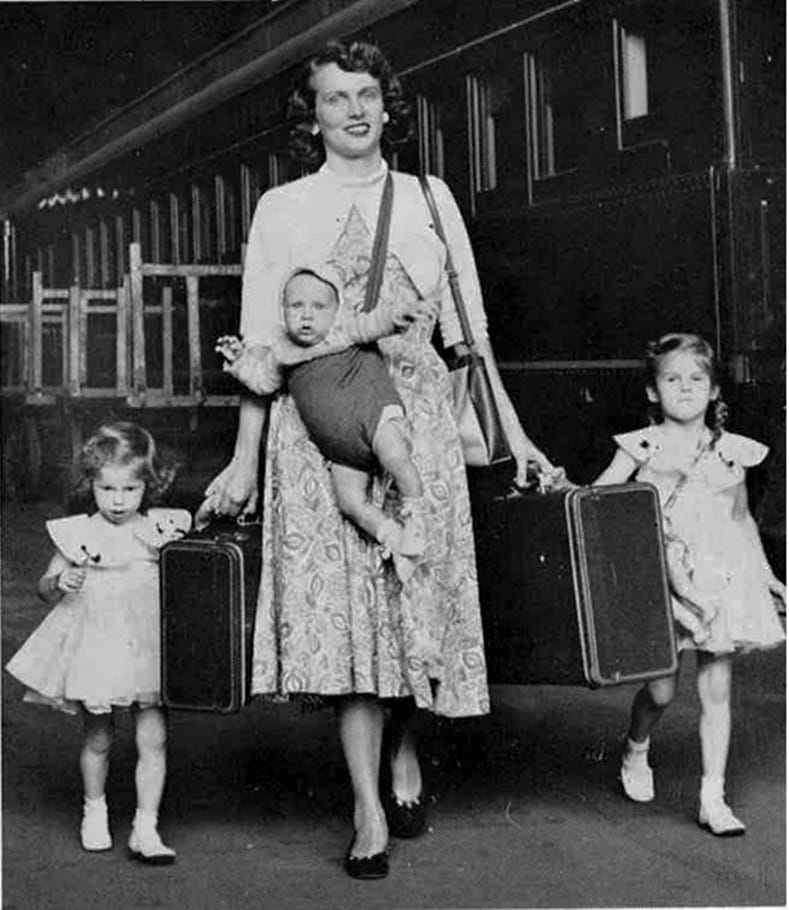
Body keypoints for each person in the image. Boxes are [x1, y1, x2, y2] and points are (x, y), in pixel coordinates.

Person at [197, 39, 558, 879]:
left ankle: (404, 746)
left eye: (367, 95)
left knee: (412, 602)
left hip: (416, 425)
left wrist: (516, 436)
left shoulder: (430, 198)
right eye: (336, 97)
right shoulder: (283, 208)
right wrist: (245, 460)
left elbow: (469, 336)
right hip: (317, 429)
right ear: (312, 116)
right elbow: (261, 344)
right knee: (350, 621)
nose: (354, 111)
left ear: (386, 107)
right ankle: (366, 805)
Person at [595, 333, 785, 835]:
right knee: (660, 691)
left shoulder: (730, 450)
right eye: (672, 379)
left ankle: (712, 798)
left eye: (697, 379)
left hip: (718, 580)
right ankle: (636, 747)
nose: (685, 388)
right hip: (662, 579)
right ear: (653, 390)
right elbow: (599, 498)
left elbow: (742, 518)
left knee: (716, 690)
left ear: (714, 390)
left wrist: (767, 575)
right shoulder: (642, 444)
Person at [5, 422, 190, 863]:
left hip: (146, 646)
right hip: (98, 645)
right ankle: (95, 811)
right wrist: (60, 581)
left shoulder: (160, 528)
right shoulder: (80, 531)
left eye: (130, 489)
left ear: (149, 484)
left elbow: (186, 575)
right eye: (107, 489)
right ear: (90, 483)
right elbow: (45, 588)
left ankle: (146, 826)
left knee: (153, 738)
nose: (118, 501)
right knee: (99, 737)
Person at [215, 261, 435, 582]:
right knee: (351, 503)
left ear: (335, 311)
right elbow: (261, 382)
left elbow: (374, 324)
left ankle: (416, 521)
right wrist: (238, 360)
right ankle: (393, 538)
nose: (306, 315)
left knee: (396, 457)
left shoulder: (341, 332)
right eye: (296, 306)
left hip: (372, 417)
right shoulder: (282, 352)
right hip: (341, 448)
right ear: (282, 311)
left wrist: (400, 315)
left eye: (318, 307)